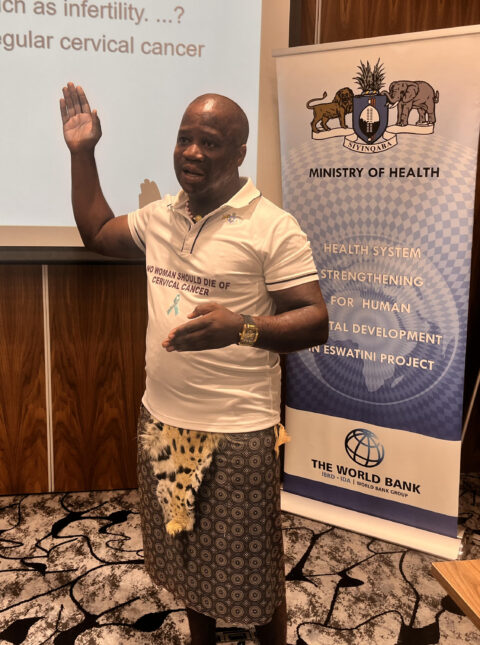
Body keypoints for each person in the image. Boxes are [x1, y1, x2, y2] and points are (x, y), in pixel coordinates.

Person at [60, 82, 328, 645]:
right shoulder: (161, 216)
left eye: (210, 142)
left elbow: (314, 321)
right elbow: (97, 233)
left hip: (238, 430)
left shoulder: (272, 227)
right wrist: (82, 153)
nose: (192, 152)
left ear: (239, 153)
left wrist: (243, 327)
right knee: (187, 561)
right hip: (162, 420)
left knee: (253, 574)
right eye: (185, 139)